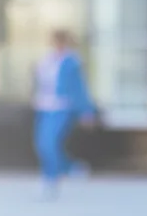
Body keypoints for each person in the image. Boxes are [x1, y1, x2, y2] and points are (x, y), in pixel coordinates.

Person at [33, 29, 98, 198]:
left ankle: (51, 180)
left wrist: (86, 111)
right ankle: (71, 168)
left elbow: (79, 88)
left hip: (62, 108)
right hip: (45, 108)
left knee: (49, 143)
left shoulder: (72, 62)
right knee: (43, 145)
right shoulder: (47, 60)